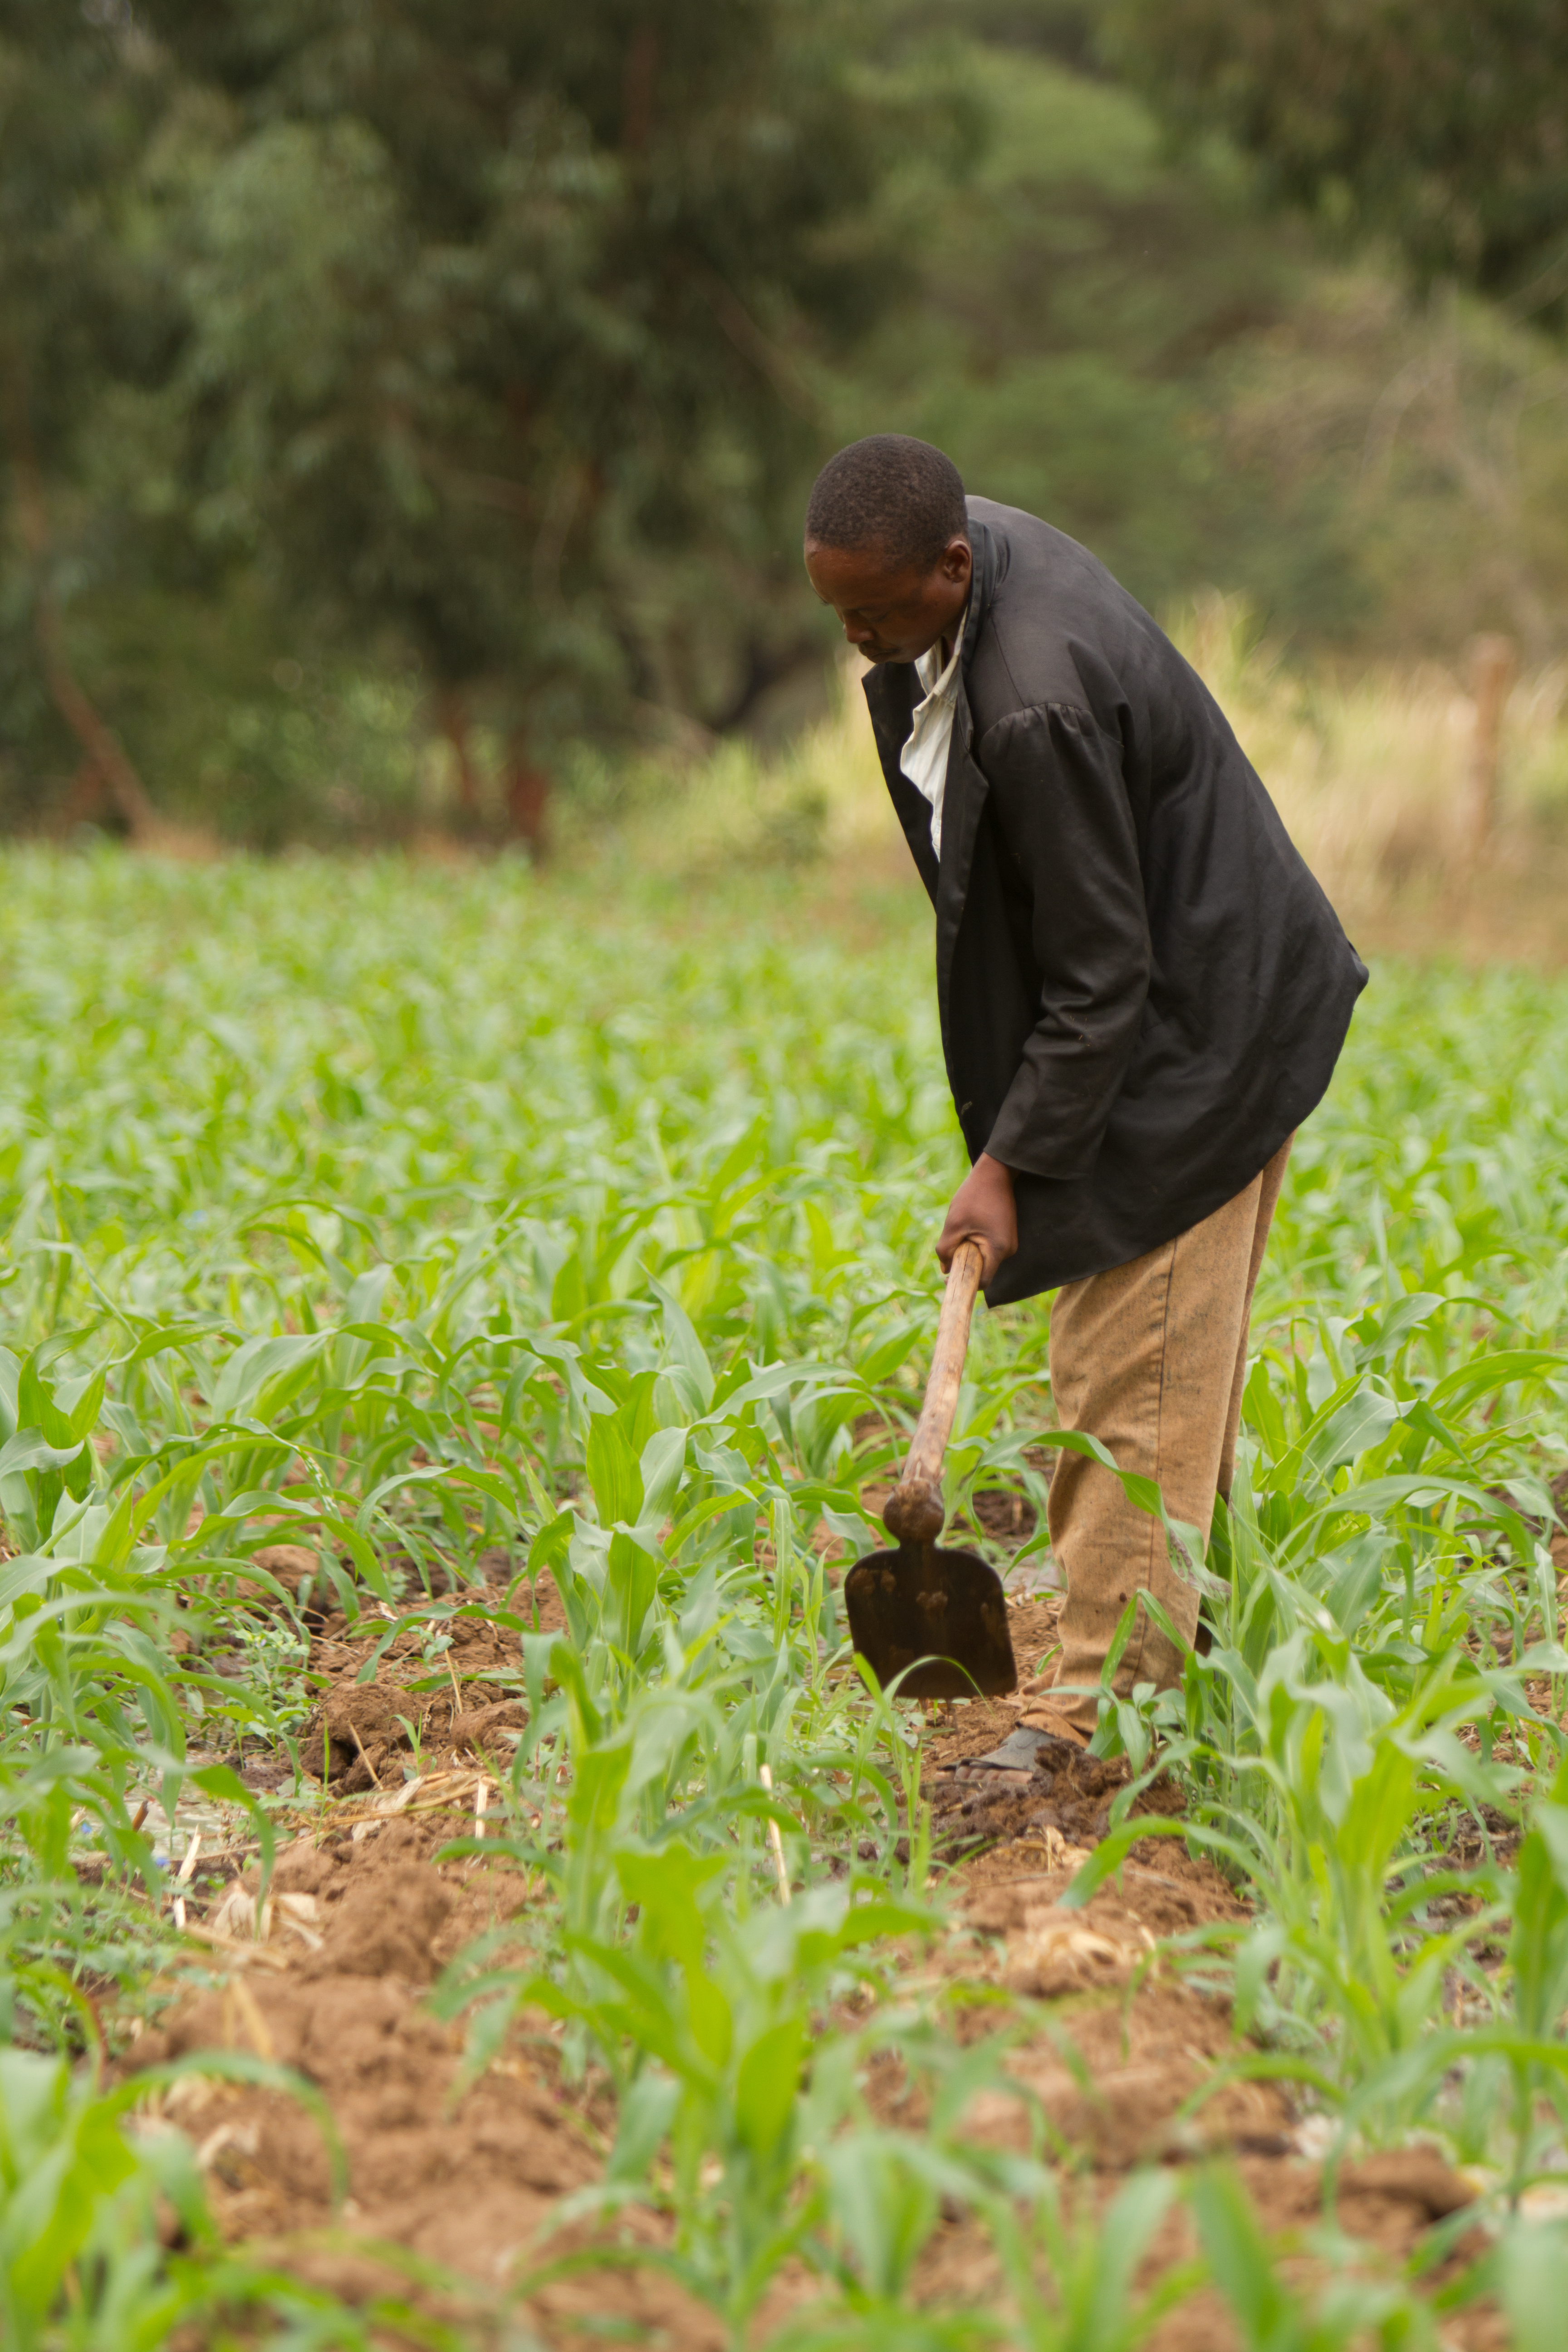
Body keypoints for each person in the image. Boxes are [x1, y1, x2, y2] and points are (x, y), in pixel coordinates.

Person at [803, 435, 1366, 1742]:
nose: (859, 642)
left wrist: (1008, 1164)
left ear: (954, 565)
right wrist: (1016, 1146)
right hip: (1164, 1002)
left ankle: (1099, 1726)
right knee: (1157, 1377)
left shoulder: (1035, 695)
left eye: (876, 614)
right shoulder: (946, 577)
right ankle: (1183, 1678)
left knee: (1131, 1372)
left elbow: (1104, 973)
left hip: (1197, 1033)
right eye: (840, 616)